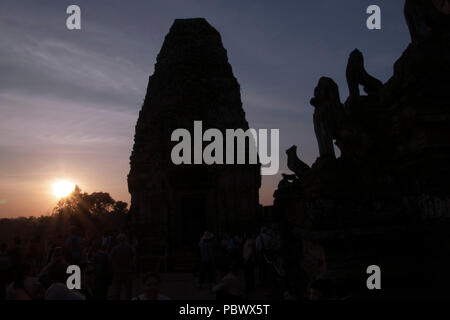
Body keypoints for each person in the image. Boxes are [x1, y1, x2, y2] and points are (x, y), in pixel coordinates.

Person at [109, 233, 134, 300]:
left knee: (117, 289)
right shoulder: (129, 247)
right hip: (127, 270)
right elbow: (133, 257)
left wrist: (113, 266)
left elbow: (110, 258)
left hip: (118, 271)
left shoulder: (115, 248)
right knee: (128, 290)